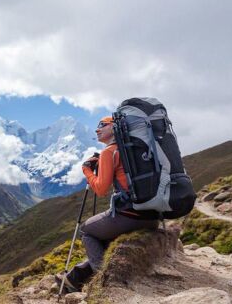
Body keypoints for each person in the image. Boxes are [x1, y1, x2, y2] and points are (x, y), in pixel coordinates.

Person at [56, 116, 159, 293]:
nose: (97, 129)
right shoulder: (136, 150)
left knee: (87, 231)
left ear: (115, 128)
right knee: (105, 236)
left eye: (102, 125)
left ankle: (104, 279)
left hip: (130, 216)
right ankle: (75, 278)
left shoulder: (109, 152)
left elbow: (101, 189)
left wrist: (87, 171)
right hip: (152, 216)